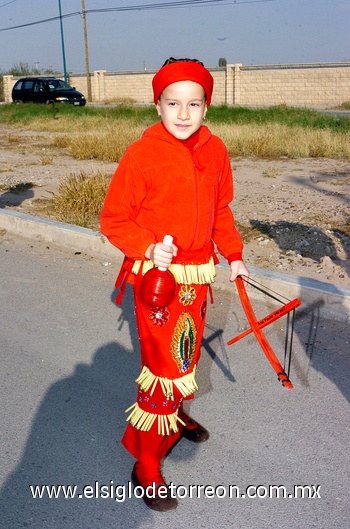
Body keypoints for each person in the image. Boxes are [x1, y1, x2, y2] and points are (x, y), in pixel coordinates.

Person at [100, 57, 249, 511]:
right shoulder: (141, 154)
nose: (183, 114)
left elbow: (220, 211)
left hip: (197, 281)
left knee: (183, 357)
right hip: (159, 284)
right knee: (163, 373)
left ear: (207, 107)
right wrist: (147, 247)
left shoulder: (216, 150)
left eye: (194, 103)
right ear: (157, 105)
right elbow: (114, 219)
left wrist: (235, 255)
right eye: (172, 103)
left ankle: (177, 417)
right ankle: (145, 464)